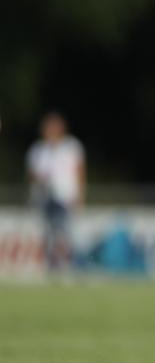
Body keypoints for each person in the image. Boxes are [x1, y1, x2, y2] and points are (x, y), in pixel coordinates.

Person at [26, 112, 86, 273]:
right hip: (46, 198)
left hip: (66, 198)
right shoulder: (38, 150)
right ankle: (51, 266)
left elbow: (79, 173)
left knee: (67, 233)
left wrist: (80, 196)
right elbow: (32, 174)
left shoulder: (72, 147)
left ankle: (70, 265)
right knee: (48, 233)